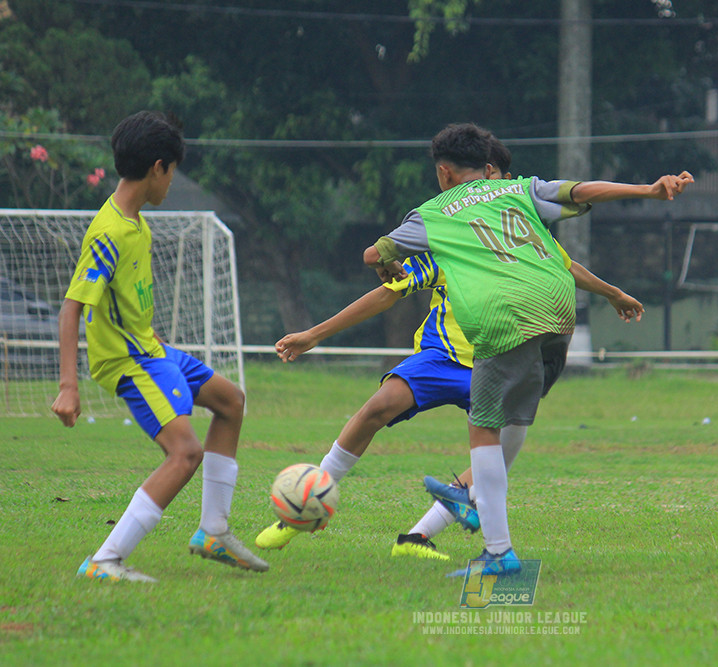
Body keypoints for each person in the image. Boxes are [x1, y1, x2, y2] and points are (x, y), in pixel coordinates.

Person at [255, 136, 644, 560]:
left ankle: (419, 536)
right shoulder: (451, 232)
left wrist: (612, 293)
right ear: (483, 173)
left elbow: (567, 266)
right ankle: (304, 504)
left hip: (499, 355)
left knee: (496, 456)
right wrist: (314, 335)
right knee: (377, 407)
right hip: (443, 357)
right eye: (496, 172)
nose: (501, 182)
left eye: (506, 176)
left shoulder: (513, 229)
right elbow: (388, 291)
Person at [365, 122, 693, 576]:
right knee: (514, 417)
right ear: (487, 167)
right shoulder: (518, 190)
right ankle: (467, 502)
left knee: (482, 427)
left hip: (506, 314)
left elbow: (373, 255)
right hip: (558, 310)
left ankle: (496, 548)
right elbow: (580, 191)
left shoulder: (434, 212)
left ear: (443, 173)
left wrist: (386, 262)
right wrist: (650, 190)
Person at [51, 111, 268, 582]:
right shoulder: (109, 234)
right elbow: (71, 310)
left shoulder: (136, 224)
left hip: (153, 351)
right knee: (185, 453)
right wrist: (69, 386)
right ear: (158, 167)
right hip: (130, 363)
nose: (171, 182)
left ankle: (213, 531)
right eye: (172, 171)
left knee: (231, 401)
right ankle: (105, 560)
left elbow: (124, 303)